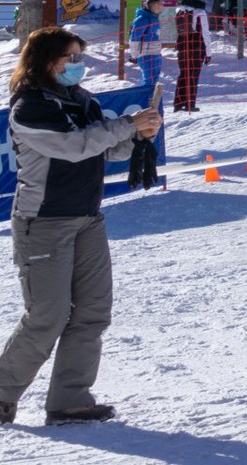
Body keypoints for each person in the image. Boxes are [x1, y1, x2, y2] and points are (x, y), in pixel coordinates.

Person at [1, 29, 162, 426]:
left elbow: (106, 148)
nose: (78, 65)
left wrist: (138, 135)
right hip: (43, 221)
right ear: (46, 60)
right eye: (70, 58)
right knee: (47, 316)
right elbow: (73, 146)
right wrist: (127, 124)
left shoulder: (82, 99)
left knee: (93, 312)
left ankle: (69, 401)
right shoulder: (30, 105)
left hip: (87, 218)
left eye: (79, 58)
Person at [172, 0, 208, 112]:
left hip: (182, 45)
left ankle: (178, 103)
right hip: (197, 46)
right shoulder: (200, 12)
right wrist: (208, 53)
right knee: (193, 75)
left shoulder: (179, 10)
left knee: (183, 74)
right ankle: (190, 103)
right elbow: (205, 33)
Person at [128, 0, 164, 88]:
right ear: (154, 5)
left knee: (154, 80)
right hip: (146, 55)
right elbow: (134, 39)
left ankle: (151, 97)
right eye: (160, 4)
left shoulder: (155, 19)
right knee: (149, 81)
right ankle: (145, 97)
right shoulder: (142, 19)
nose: (162, 6)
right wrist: (134, 56)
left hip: (156, 54)